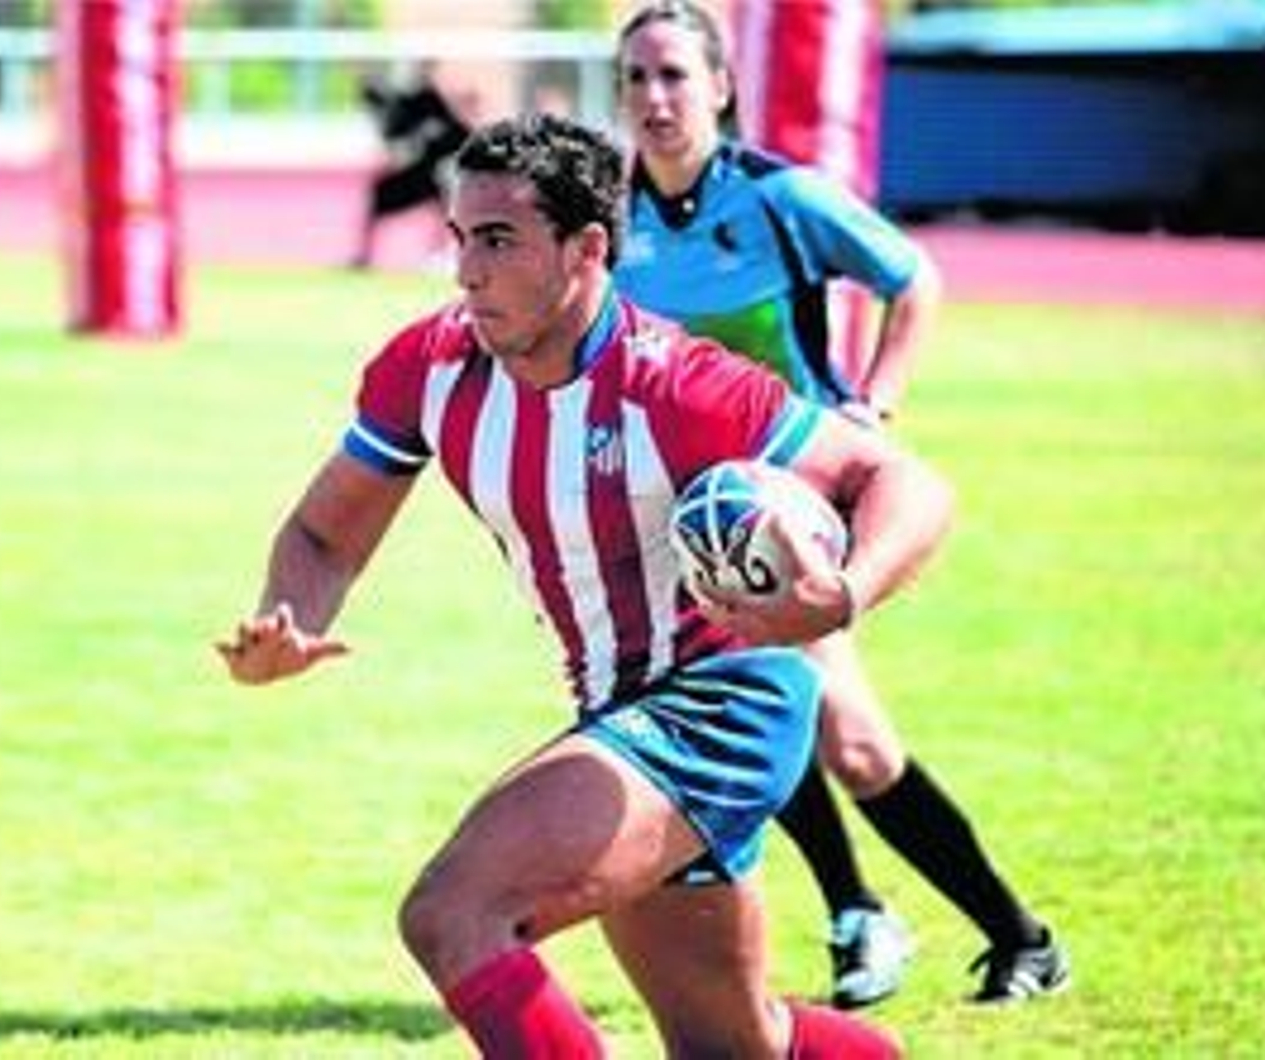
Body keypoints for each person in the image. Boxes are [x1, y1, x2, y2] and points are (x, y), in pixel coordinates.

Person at [215, 111, 956, 1058]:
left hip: (724, 705)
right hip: (617, 707)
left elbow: (906, 483)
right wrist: (289, 619)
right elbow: (325, 533)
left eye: (498, 241)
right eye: (458, 239)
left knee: (454, 913)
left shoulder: (675, 382)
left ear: (587, 248)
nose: (466, 272)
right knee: (735, 1048)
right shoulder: (431, 366)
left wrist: (842, 593)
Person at [611, 0, 1070, 1009]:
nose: (653, 97)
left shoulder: (779, 197)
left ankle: (1012, 933)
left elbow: (915, 279)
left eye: (674, 75)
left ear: (721, 87)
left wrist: (875, 402)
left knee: (849, 739)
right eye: (636, 77)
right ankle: (866, 913)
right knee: (757, 715)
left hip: (798, 508)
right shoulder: (610, 217)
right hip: (688, 522)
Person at [350, 64, 472, 270]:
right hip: (422, 172)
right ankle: (364, 256)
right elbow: (400, 148)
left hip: (446, 173)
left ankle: (446, 253)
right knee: (380, 194)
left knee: (450, 193)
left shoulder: (431, 104)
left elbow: (459, 141)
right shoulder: (397, 113)